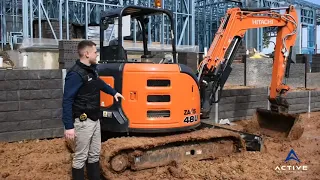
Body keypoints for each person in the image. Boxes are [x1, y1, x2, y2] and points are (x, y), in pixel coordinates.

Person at [62, 40, 125, 180]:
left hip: (95, 119)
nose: (97, 55)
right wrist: (69, 127)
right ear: (86, 53)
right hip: (83, 121)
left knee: (94, 154)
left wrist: (113, 92)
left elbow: (99, 83)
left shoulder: (92, 69)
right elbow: (67, 100)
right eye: (95, 52)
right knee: (80, 157)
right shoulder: (75, 75)